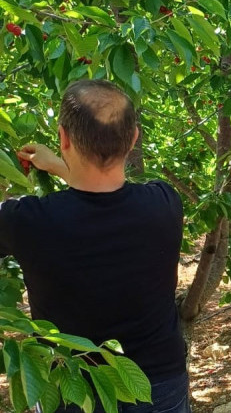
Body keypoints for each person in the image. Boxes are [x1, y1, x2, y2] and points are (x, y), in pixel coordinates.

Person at [0, 79, 191, 413]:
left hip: (72, 389)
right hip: (158, 383)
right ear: (133, 139)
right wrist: (60, 166)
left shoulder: (25, 221)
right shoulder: (165, 203)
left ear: (63, 138)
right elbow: (106, 195)